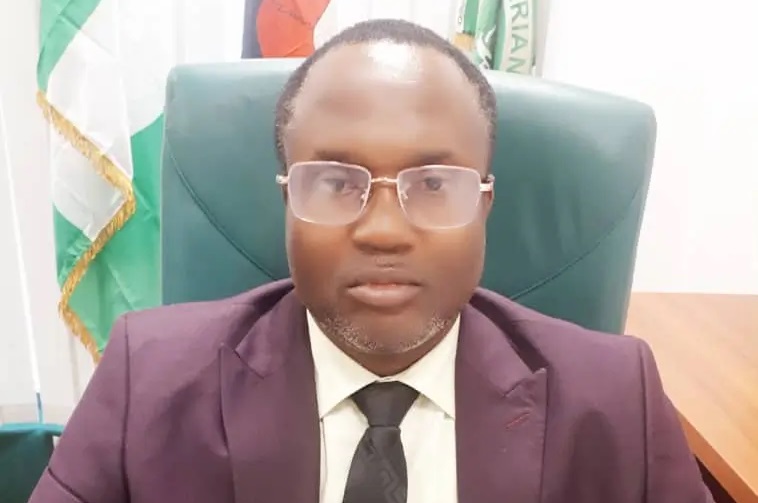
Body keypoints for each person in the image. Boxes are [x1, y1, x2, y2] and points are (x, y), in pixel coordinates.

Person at [30, 19, 713, 503]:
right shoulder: (146, 381)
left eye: (434, 184)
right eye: (335, 182)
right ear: (288, 198)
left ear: (484, 204)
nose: (384, 230)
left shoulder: (616, 401)